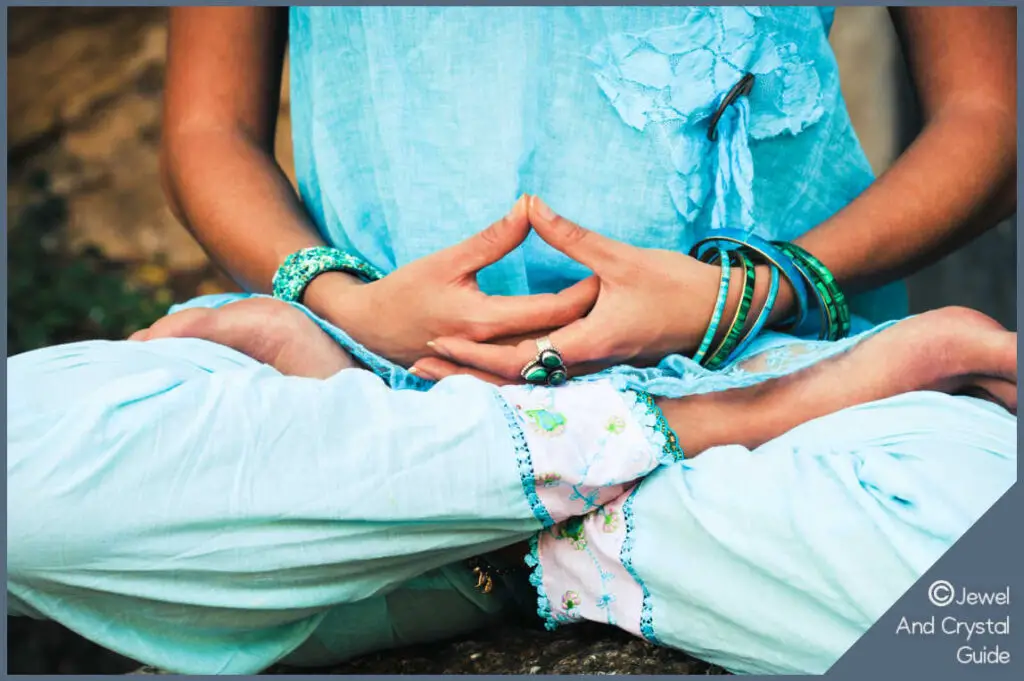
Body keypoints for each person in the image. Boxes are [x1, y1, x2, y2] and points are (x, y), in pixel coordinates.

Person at [6, 5, 1016, 676]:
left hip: (770, 350)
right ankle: (670, 443)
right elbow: (206, 132)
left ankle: (438, 534)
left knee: (986, 612)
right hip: (359, 372)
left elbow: (986, 114)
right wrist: (343, 303)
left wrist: (744, 293)